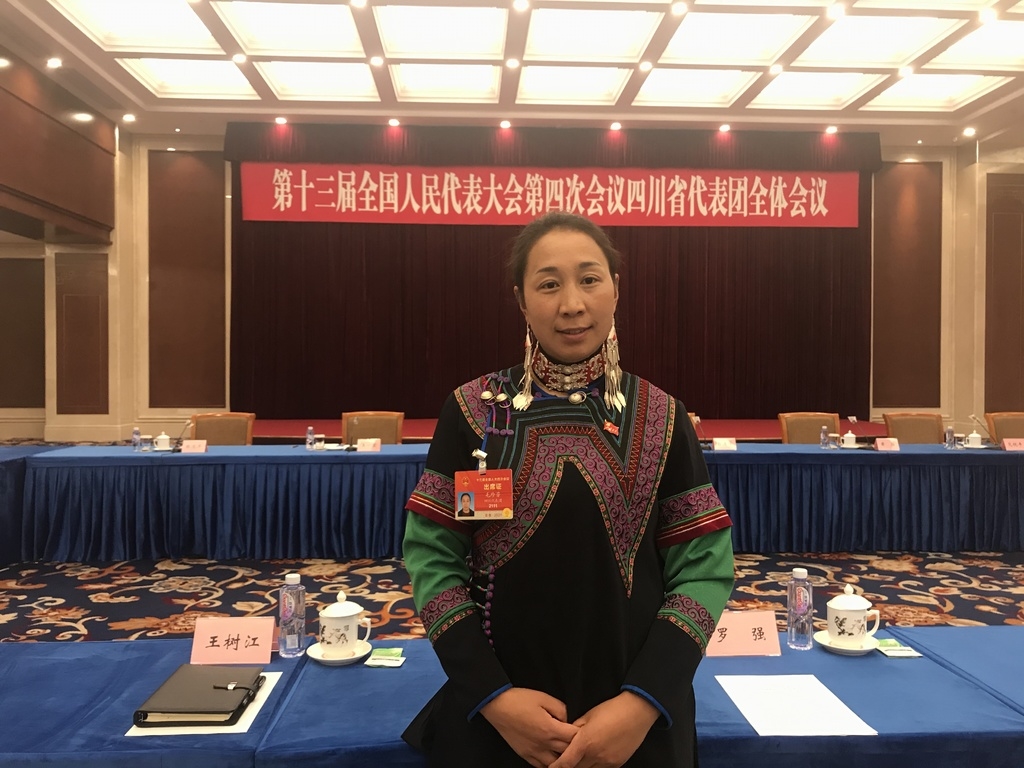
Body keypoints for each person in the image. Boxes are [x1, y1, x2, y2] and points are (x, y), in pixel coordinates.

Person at [402, 211, 735, 767]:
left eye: (589, 279)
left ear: (615, 289)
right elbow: (433, 560)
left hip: (636, 727)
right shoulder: (473, 413)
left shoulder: (662, 416)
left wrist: (642, 704)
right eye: (549, 284)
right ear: (521, 299)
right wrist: (494, 697)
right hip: (498, 721)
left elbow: (703, 571)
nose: (573, 304)